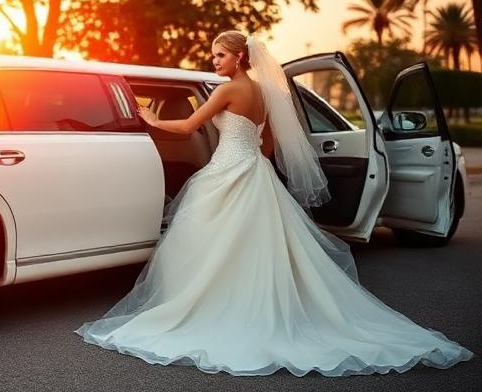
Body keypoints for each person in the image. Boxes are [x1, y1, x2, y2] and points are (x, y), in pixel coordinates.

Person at [75, 31, 473, 376]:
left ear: (240, 57)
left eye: (219, 55)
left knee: (211, 245)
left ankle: (218, 311)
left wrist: (148, 117)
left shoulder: (229, 89)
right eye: (213, 55)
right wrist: (246, 159)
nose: (213, 61)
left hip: (226, 174)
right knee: (256, 248)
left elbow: (186, 127)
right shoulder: (265, 94)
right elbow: (267, 146)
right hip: (255, 175)